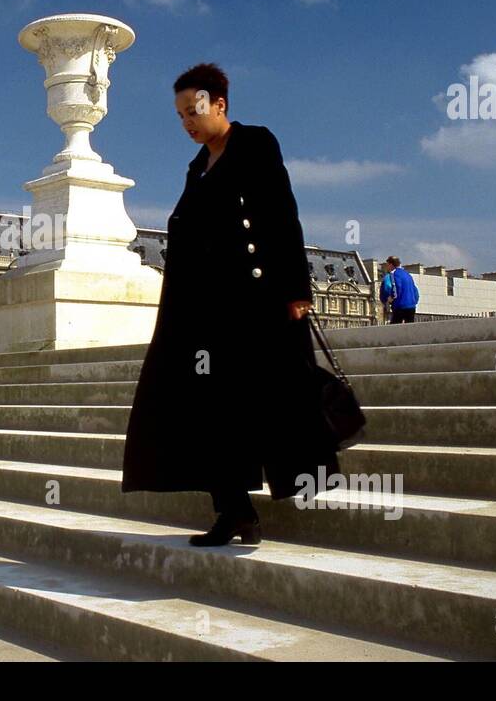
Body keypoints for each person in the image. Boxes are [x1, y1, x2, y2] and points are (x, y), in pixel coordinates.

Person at [121, 63, 341, 546]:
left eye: (193, 111)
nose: (187, 123)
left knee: (261, 403)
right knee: (208, 411)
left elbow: (284, 215)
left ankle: (258, 499)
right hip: (206, 315)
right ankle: (234, 511)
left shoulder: (256, 143)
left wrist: (297, 290)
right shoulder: (197, 167)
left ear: (220, 103)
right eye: (180, 116)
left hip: (257, 306)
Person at [380, 255, 419, 323]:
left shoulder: (392, 275)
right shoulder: (407, 274)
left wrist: (390, 298)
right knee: (409, 329)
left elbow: (393, 287)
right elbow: (415, 291)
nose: (387, 267)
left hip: (399, 306)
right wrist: (414, 302)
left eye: (387, 265)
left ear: (391, 264)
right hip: (411, 306)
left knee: (394, 329)